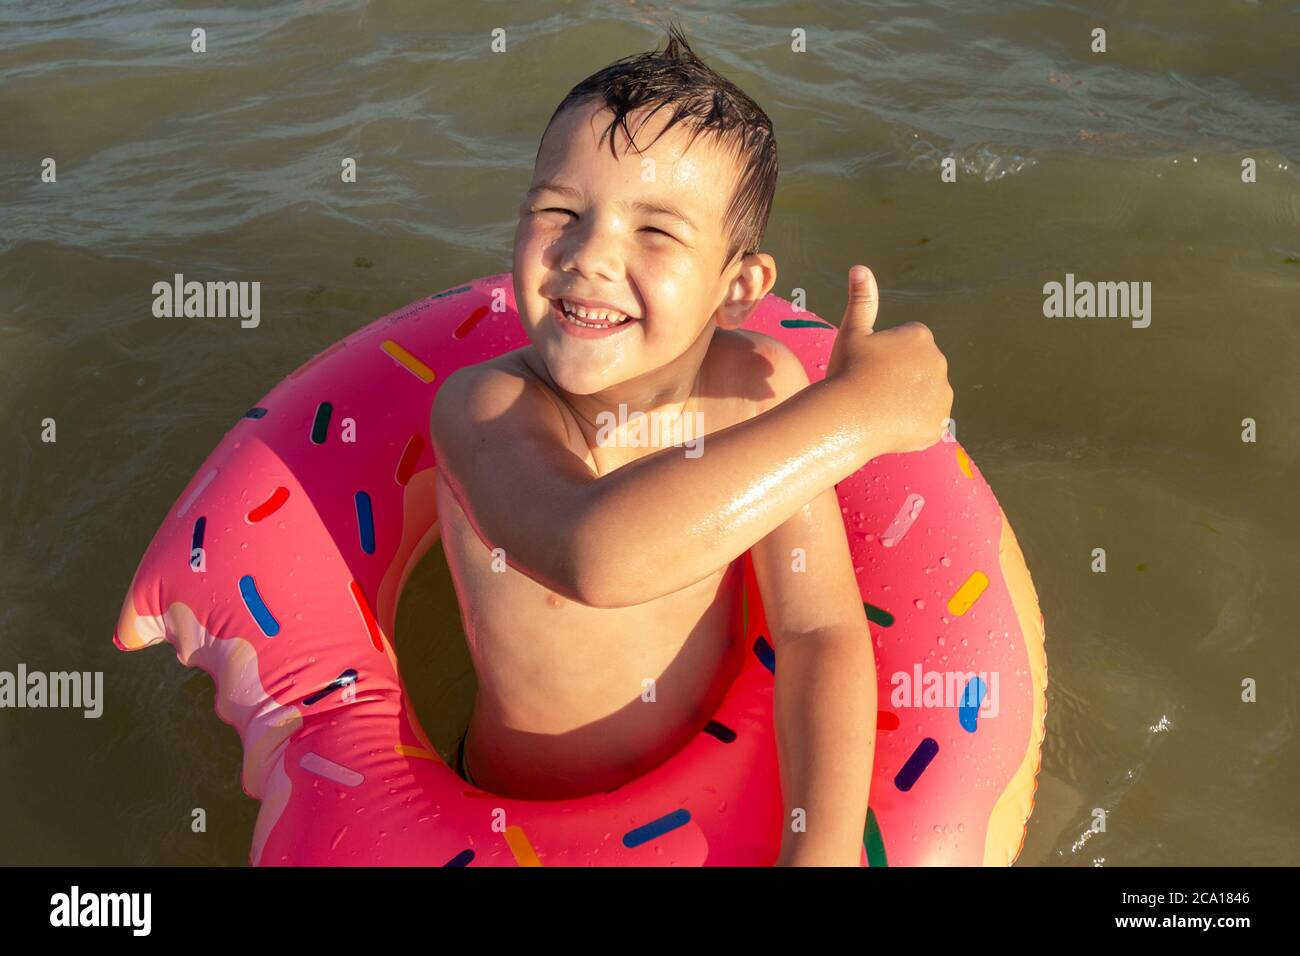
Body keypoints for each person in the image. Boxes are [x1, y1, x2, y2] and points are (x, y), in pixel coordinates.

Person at [430, 23, 952, 866]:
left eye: (656, 232)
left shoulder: (757, 392)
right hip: (508, 822)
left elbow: (818, 628)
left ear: (739, 287)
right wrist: (855, 417)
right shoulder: (487, 408)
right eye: (558, 210)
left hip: (712, 800)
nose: (588, 255)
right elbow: (593, 555)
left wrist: (818, 851)